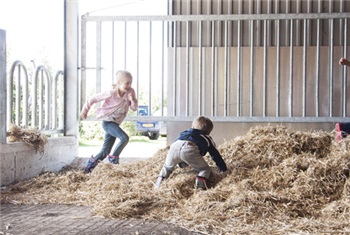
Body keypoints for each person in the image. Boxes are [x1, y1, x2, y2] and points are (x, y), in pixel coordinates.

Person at [80, 70, 138, 173]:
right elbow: (93, 99)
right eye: (127, 83)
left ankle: (88, 169)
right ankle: (113, 159)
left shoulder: (130, 92)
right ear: (119, 83)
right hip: (107, 122)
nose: (129, 85)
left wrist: (133, 99)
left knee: (105, 151)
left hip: (114, 124)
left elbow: (134, 108)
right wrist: (85, 111)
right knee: (124, 138)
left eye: (131, 83)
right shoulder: (111, 93)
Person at [155, 116, 227, 190]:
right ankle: (200, 186)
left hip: (174, 147)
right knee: (205, 169)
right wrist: (223, 168)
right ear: (208, 132)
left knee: (167, 167)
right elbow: (215, 155)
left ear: (192, 126)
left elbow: (178, 146)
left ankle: (158, 184)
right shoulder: (207, 138)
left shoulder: (184, 133)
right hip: (190, 149)